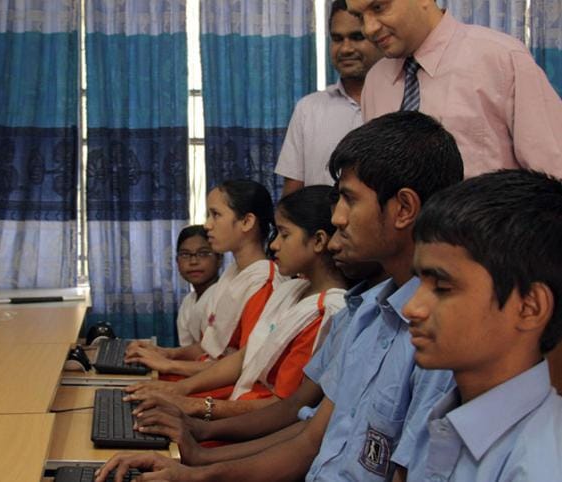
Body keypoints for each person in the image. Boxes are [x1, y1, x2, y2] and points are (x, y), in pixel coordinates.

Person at [95, 111, 463, 482]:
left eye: (349, 200)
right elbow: (307, 441)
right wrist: (195, 464)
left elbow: (292, 414)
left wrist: (198, 434)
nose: (336, 217)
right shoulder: (366, 312)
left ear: (403, 209)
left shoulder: (440, 344)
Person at [125, 186, 349, 420]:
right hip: (236, 402)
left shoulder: (322, 309)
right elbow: (244, 355)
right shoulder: (290, 289)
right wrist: (174, 379)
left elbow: (283, 406)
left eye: (284, 234)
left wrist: (189, 400)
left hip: (246, 416)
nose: (208, 225)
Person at [403, 169, 562, 481]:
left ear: (529, 307)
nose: (412, 308)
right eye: (418, 283)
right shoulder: (441, 419)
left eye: (442, 288)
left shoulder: (538, 467)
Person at [350, 0, 562, 178]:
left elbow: (552, 173)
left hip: (488, 225)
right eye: (359, 17)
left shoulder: (500, 59)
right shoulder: (376, 82)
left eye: (378, 7)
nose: (369, 28)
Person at [125, 180, 277, 377]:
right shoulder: (233, 273)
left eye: (216, 215)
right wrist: (166, 353)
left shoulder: (263, 283)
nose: (207, 225)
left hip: (225, 390)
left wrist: (170, 366)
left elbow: (244, 366)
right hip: (207, 375)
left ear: (247, 222)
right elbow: (210, 348)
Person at [276, 0, 383, 197]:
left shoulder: (405, 101)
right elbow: (292, 198)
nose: (345, 49)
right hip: (321, 227)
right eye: (337, 38)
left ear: (380, 38)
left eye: (357, 37)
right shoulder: (308, 109)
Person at [174, 225, 221, 346]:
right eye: (185, 255)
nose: (193, 262)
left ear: (219, 258)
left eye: (203, 253)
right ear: (177, 261)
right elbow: (186, 351)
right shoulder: (188, 302)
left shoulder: (225, 296)